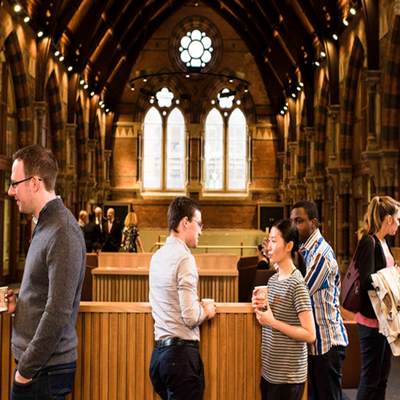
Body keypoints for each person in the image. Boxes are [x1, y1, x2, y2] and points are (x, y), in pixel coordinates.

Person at [5, 144, 86, 400]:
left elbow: (58, 310)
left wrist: (25, 370)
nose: (10, 191)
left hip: (44, 371)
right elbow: (44, 292)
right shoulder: (44, 224)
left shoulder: (63, 231)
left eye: (15, 183)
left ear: (35, 183)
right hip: (38, 368)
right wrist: (20, 302)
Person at [149, 196, 216, 400]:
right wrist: (207, 309)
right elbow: (190, 316)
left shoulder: (157, 256)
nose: (200, 231)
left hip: (159, 356)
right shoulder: (184, 258)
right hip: (181, 358)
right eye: (199, 224)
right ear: (185, 223)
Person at [290, 200, 348, 400]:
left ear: (313, 223)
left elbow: (302, 293)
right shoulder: (307, 250)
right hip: (316, 343)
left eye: (299, 221)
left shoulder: (321, 254)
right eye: (293, 221)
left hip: (328, 343)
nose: (294, 226)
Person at [253, 219, 315, 400]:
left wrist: (272, 322)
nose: (268, 247)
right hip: (270, 372)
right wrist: (259, 308)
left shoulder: (297, 284)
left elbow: (310, 334)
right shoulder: (273, 280)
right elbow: (272, 318)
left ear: (289, 245)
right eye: (268, 240)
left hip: (288, 377)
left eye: (274, 241)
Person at [355, 195, 400, 400]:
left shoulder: (383, 242)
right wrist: (389, 275)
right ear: (388, 219)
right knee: (370, 379)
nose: (398, 224)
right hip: (371, 321)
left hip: (384, 320)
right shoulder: (368, 241)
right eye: (397, 219)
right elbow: (365, 280)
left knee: (382, 377)